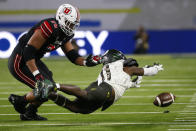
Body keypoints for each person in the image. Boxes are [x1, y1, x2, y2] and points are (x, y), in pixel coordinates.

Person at [8, 4, 102, 121]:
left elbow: (73, 57)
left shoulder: (65, 33)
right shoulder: (48, 27)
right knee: (45, 87)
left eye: (74, 24)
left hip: (33, 59)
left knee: (50, 86)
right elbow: (28, 52)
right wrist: (38, 77)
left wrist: (89, 61)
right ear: (61, 18)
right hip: (20, 61)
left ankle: (29, 112)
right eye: (69, 23)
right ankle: (19, 101)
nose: (71, 27)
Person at [22, 49, 163, 114]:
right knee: (84, 96)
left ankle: (52, 94)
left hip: (103, 88)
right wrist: (155, 68)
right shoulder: (125, 67)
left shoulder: (110, 67)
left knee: (80, 108)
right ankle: (53, 86)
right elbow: (145, 71)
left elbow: (123, 82)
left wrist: (134, 82)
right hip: (108, 91)